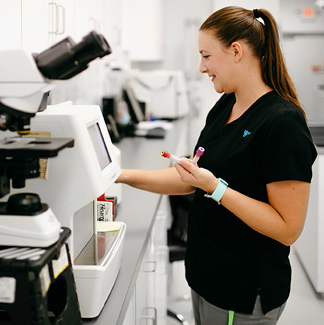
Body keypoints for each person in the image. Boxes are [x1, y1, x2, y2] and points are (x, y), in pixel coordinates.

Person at [116, 6, 317, 325]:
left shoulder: (282, 124)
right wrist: (118, 175)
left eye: (206, 56)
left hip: (241, 288)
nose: (201, 67)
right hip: (207, 277)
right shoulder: (227, 104)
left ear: (236, 51)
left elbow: (287, 229)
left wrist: (216, 187)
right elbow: (192, 180)